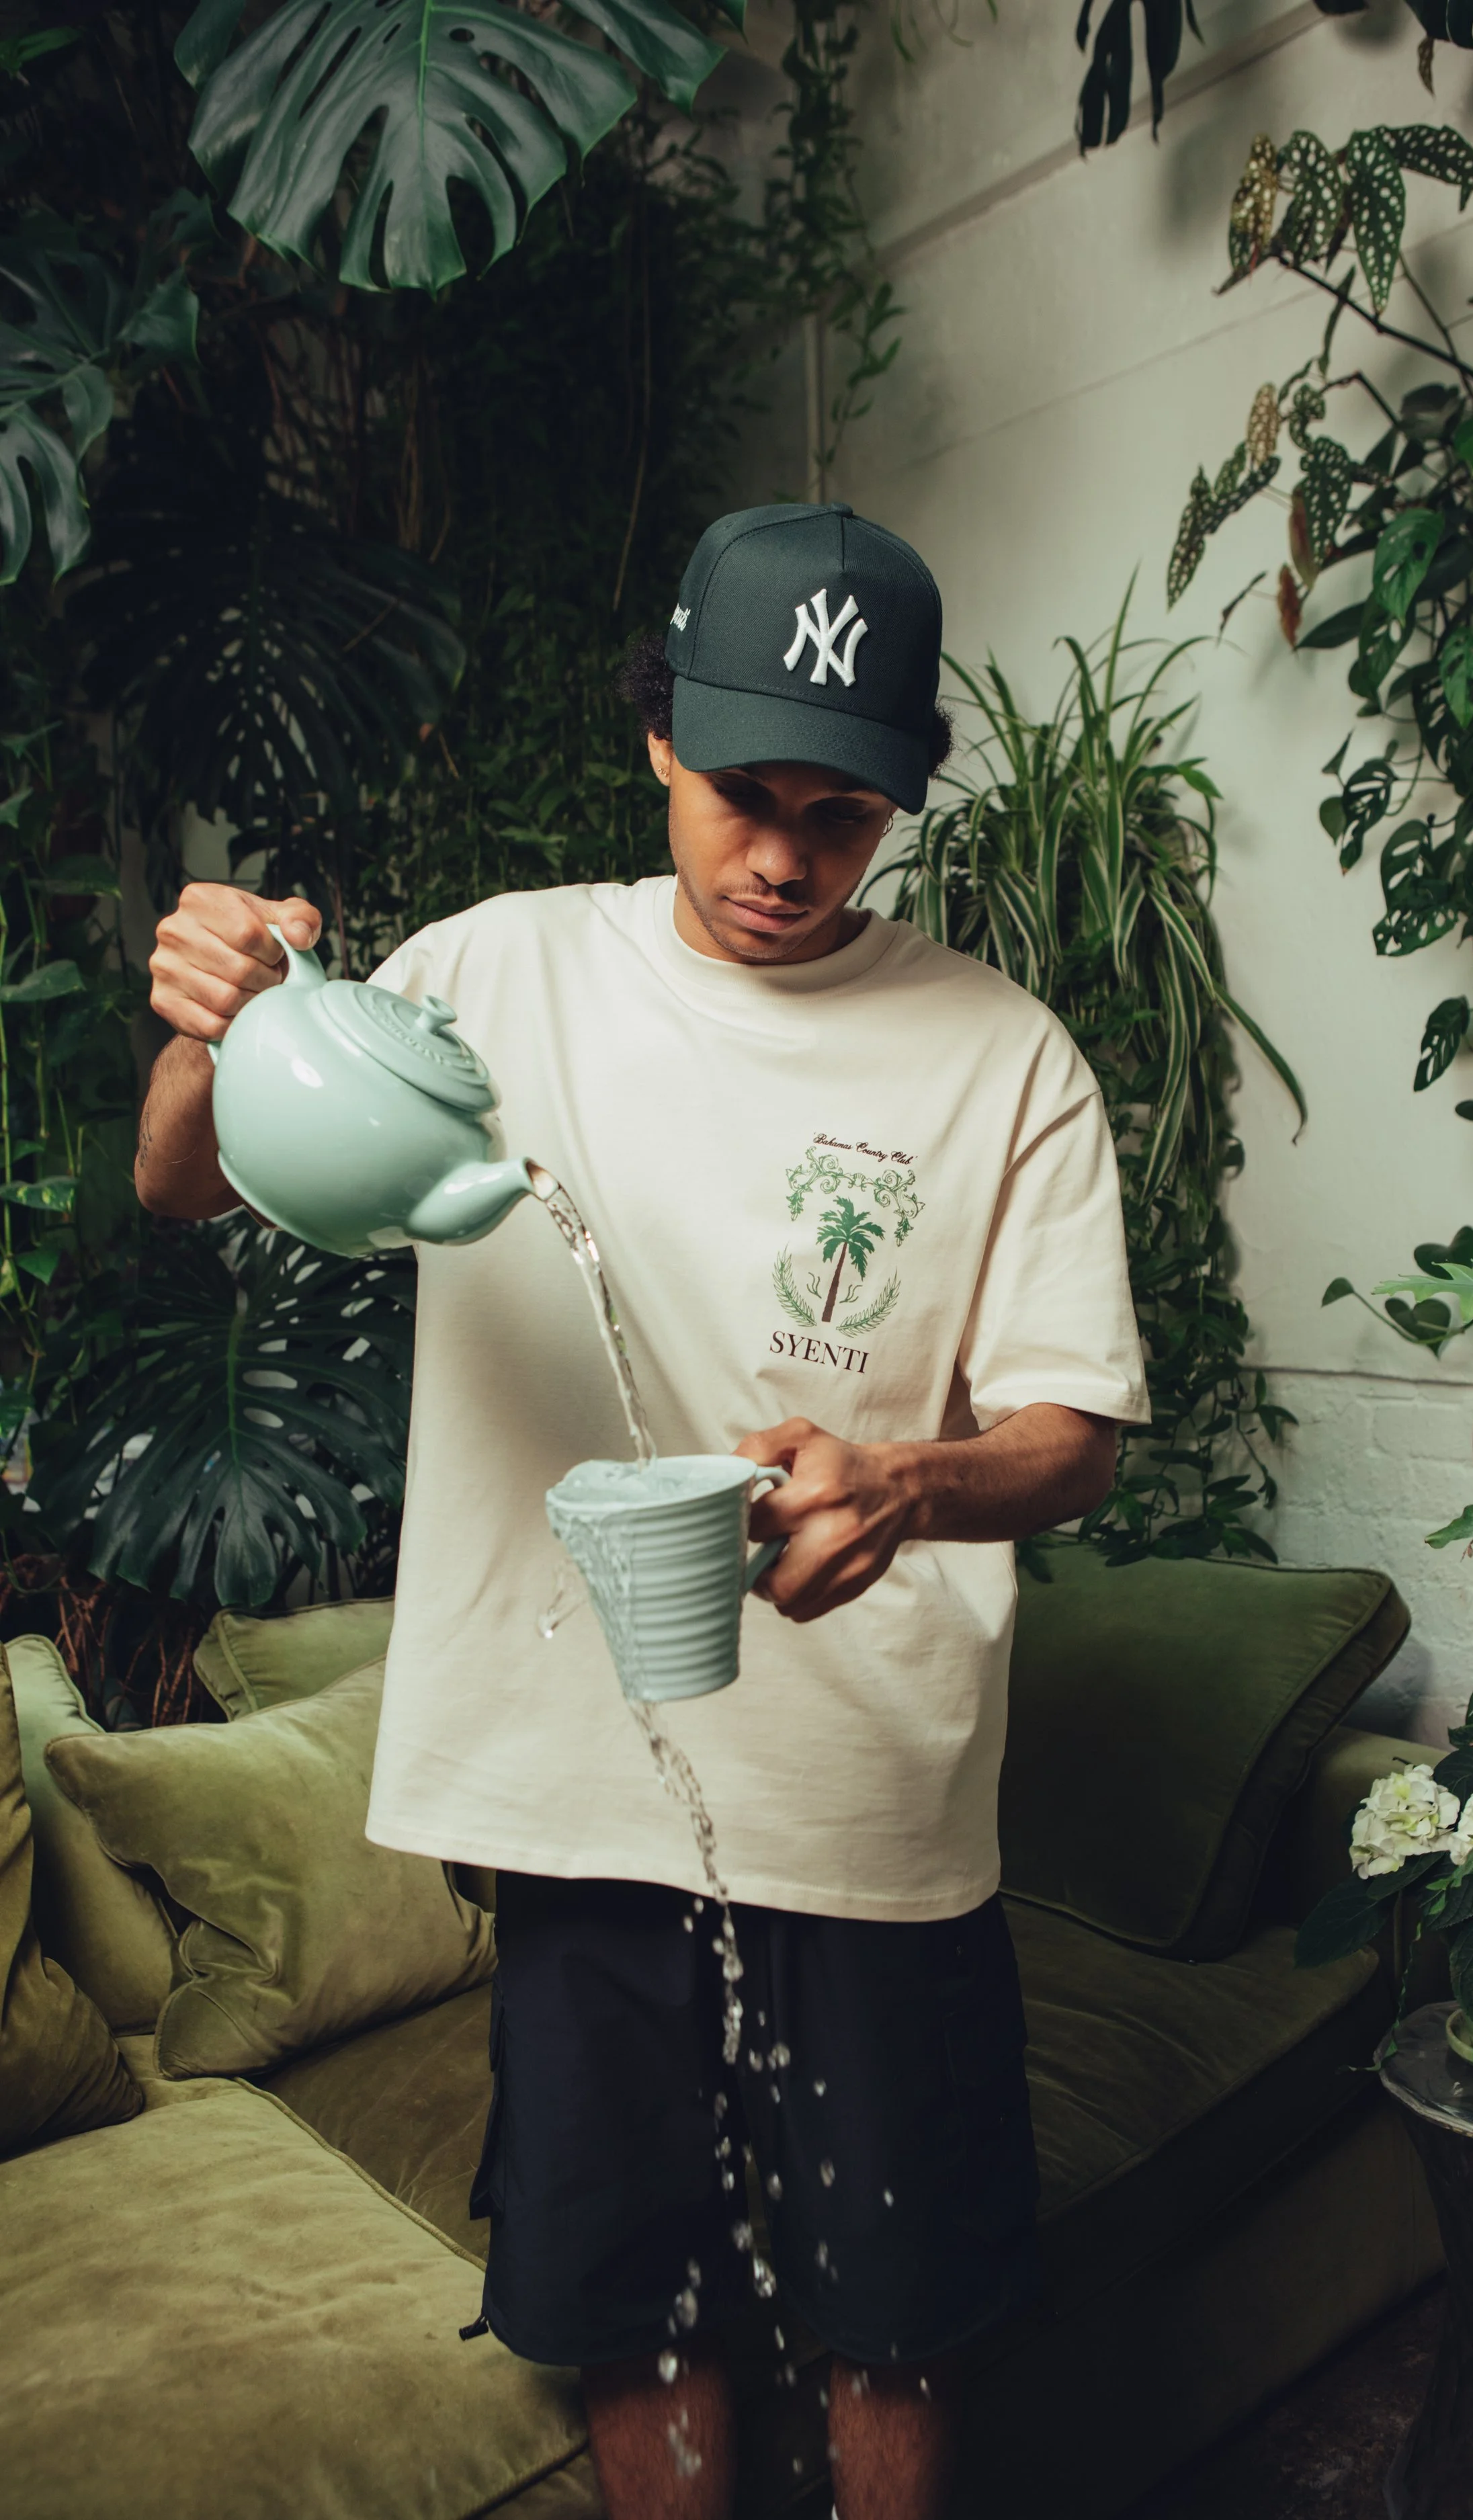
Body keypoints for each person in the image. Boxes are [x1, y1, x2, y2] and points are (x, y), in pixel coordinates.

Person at [138, 501, 1148, 2520]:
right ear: (660, 742)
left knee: (898, 2308)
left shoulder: (1000, 1054)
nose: (783, 857)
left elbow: (1075, 1433)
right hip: (577, 1795)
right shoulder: (499, 973)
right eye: (746, 794)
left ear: (899, 802)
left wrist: (915, 1480)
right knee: (635, 2309)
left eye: (842, 815)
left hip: (873, 1805)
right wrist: (207, 1028)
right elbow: (195, 1184)